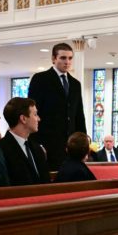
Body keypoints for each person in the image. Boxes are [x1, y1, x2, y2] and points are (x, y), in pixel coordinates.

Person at [28, 43, 86, 171]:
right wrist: (36, 144)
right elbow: (32, 113)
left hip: (71, 146)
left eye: (70, 58)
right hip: (47, 143)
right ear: (54, 59)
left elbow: (78, 114)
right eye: (63, 58)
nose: (67, 62)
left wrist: (83, 143)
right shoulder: (41, 79)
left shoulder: (75, 84)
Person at [0, 97, 50, 186]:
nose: (39, 119)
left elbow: (46, 182)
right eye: (35, 114)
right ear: (23, 119)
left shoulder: (37, 149)